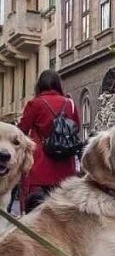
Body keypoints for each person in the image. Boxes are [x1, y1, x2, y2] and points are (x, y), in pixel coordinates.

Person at [16, 70, 81, 213]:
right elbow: (77, 126)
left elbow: (21, 131)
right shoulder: (69, 103)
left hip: (41, 163)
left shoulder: (35, 104)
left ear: (40, 85)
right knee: (62, 210)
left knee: (37, 210)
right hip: (65, 163)